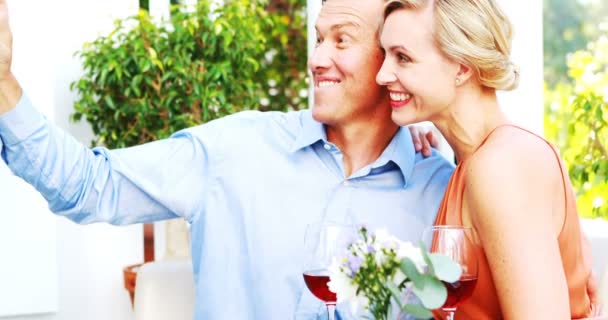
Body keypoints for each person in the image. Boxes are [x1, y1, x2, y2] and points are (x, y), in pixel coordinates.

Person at [0, 0, 454, 319]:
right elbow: (85, 185)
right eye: (318, 37)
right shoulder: (236, 149)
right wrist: (3, 82)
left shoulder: (439, 188)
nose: (317, 58)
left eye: (342, 40)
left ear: (391, 59)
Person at [376, 0, 602, 319]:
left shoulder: (502, 167)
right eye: (384, 55)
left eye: (403, 58)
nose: (382, 75)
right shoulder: (481, 160)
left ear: (462, 67)